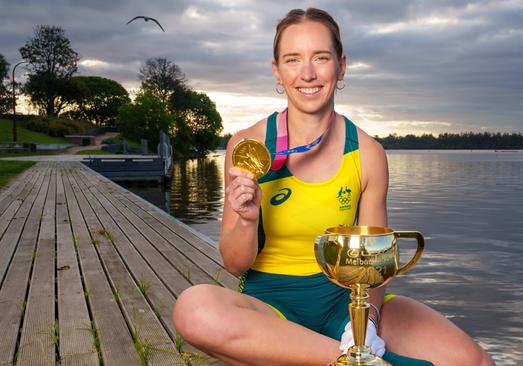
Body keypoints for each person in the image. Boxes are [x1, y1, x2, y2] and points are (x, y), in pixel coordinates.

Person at [173, 7, 494, 366]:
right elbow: (235, 265)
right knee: (195, 310)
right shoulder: (248, 145)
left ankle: (345, 354)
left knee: (474, 361)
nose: (307, 73)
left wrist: (366, 326)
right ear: (277, 71)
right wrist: (246, 219)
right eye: (292, 60)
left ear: (340, 66)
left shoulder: (368, 154)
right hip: (270, 310)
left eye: (321, 58)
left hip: (346, 304)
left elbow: (374, 265)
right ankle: (353, 361)